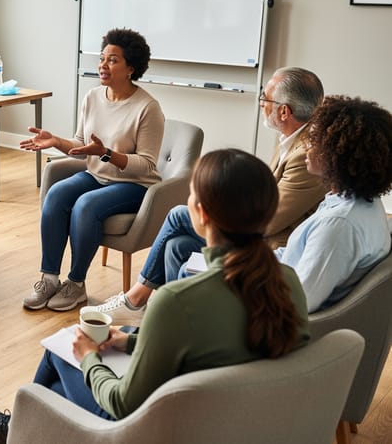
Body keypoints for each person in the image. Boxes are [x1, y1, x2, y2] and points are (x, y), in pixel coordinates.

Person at [0, 149, 310, 443]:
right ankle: (28, 426)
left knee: (60, 352)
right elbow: (209, 345)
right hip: (233, 423)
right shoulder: (287, 282)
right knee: (54, 394)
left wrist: (89, 356)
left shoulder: (178, 300)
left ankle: (16, 429)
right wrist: (130, 342)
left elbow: (123, 403)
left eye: (191, 194)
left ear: (202, 213)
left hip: (160, 427)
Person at [91, 66, 327, 325]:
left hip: (267, 250)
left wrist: (224, 206)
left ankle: (136, 299)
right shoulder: (290, 137)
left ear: (285, 111)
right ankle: (174, 321)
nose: (261, 103)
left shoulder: (305, 157)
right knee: (176, 246)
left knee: (179, 215)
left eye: (266, 98)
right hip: (257, 238)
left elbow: (267, 222)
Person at [21, 28, 165, 312]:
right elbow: (81, 144)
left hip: (135, 185)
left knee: (85, 205)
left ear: (131, 68)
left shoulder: (148, 108)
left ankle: (76, 285)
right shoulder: (92, 97)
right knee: (57, 193)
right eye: (102, 58)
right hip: (96, 175)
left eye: (112, 60)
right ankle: (49, 278)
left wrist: (108, 154)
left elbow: (147, 165)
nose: (102, 65)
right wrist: (56, 141)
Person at [274, 95, 392, 313]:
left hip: (273, 319)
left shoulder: (339, 225)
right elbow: (293, 256)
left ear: (339, 154)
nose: (306, 146)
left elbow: (299, 301)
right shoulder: (355, 201)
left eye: (315, 140)